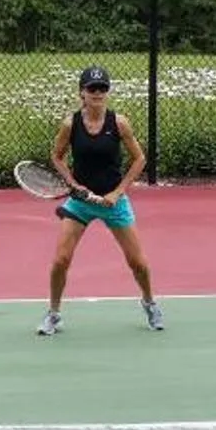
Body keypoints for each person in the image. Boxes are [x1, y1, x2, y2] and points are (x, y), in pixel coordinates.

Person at [36, 65, 162, 337]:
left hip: (114, 202)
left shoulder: (119, 123)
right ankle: (54, 314)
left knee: (138, 263)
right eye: (92, 88)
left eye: (102, 88)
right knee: (61, 260)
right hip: (80, 202)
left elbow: (140, 159)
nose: (97, 93)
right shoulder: (71, 124)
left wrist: (117, 193)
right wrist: (73, 184)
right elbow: (57, 157)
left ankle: (150, 303)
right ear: (82, 92)